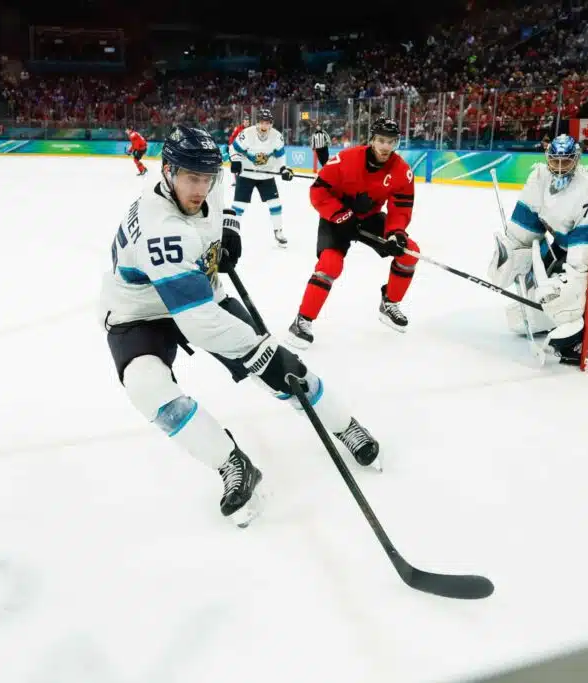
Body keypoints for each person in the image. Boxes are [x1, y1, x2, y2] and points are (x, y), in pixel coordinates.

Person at [100, 124, 381, 528]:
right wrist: (258, 347)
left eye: (205, 178)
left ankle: (344, 424)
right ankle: (230, 462)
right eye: (190, 178)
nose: (199, 188)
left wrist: (228, 228)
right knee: (147, 386)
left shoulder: (206, 180)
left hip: (199, 291)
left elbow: (221, 198)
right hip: (138, 311)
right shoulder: (163, 230)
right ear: (167, 171)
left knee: (283, 372)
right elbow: (201, 325)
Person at [486, 134, 588, 363]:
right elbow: (524, 230)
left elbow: (580, 262)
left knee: (575, 286)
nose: (558, 168)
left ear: (575, 160)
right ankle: (551, 318)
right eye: (554, 161)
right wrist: (512, 255)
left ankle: (585, 339)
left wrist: (568, 286)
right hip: (568, 235)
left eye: (565, 162)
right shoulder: (538, 178)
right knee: (547, 274)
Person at [286, 117, 418, 348]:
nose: (386, 147)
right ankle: (302, 320)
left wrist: (396, 234)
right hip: (336, 217)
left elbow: (401, 208)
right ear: (372, 140)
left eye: (391, 142)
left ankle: (390, 303)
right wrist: (342, 216)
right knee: (330, 264)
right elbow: (318, 192)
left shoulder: (402, 171)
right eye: (381, 140)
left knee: (409, 252)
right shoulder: (346, 159)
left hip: (368, 219)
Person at [229, 108, 292, 247]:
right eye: (262, 123)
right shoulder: (247, 133)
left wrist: (283, 169)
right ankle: (230, 233)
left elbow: (280, 155)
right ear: (257, 123)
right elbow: (233, 148)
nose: (265, 126)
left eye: (268, 123)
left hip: (266, 175)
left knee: (275, 204)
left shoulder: (277, 136)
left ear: (271, 124)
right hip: (246, 174)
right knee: (238, 206)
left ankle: (278, 231)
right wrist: (236, 161)